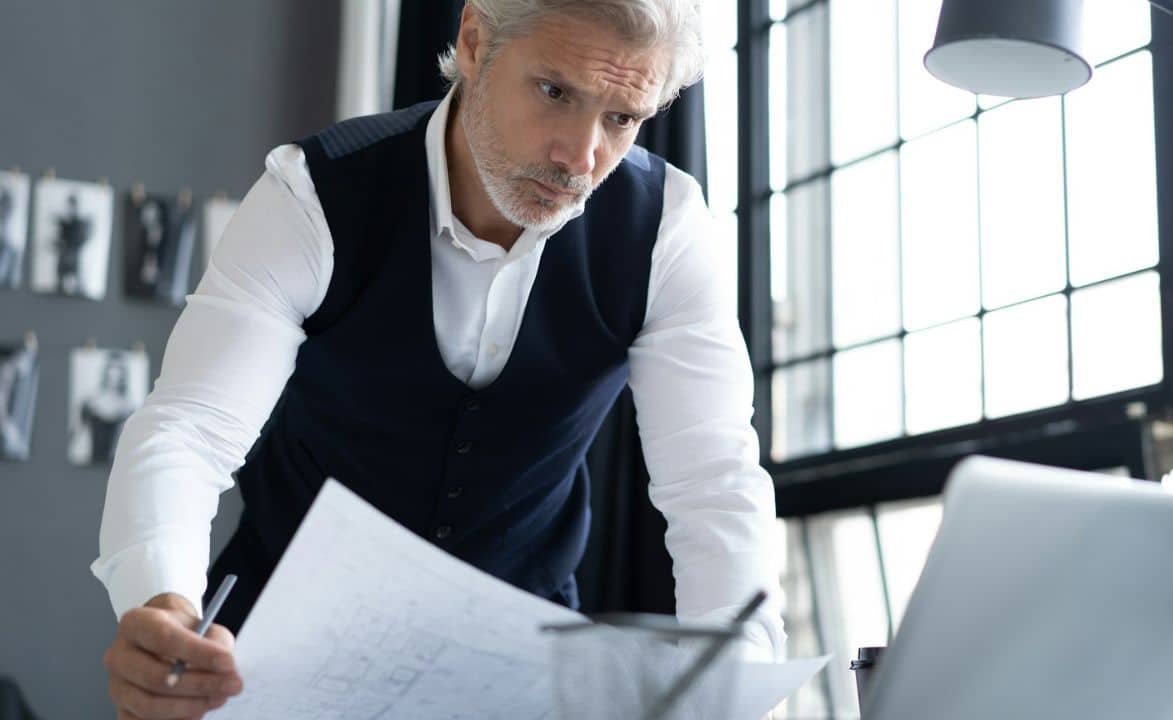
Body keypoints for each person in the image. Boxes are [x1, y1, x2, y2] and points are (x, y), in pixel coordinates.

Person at [93, 2, 786, 718]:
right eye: (555, 92)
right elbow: (190, 432)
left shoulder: (665, 228)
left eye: (621, 118)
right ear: (476, 40)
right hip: (266, 665)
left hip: (523, 673)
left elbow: (713, 480)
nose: (580, 158)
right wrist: (164, 605)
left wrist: (740, 680)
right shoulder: (313, 196)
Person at [54, 193, 91, 296]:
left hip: (74, 256)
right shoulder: (64, 222)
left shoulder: (80, 223)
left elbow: (82, 239)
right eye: (68, 206)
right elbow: (59, 239)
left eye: (71, 205)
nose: (69, 208)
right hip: (64, 255)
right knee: (59, 286)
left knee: (79, 287)